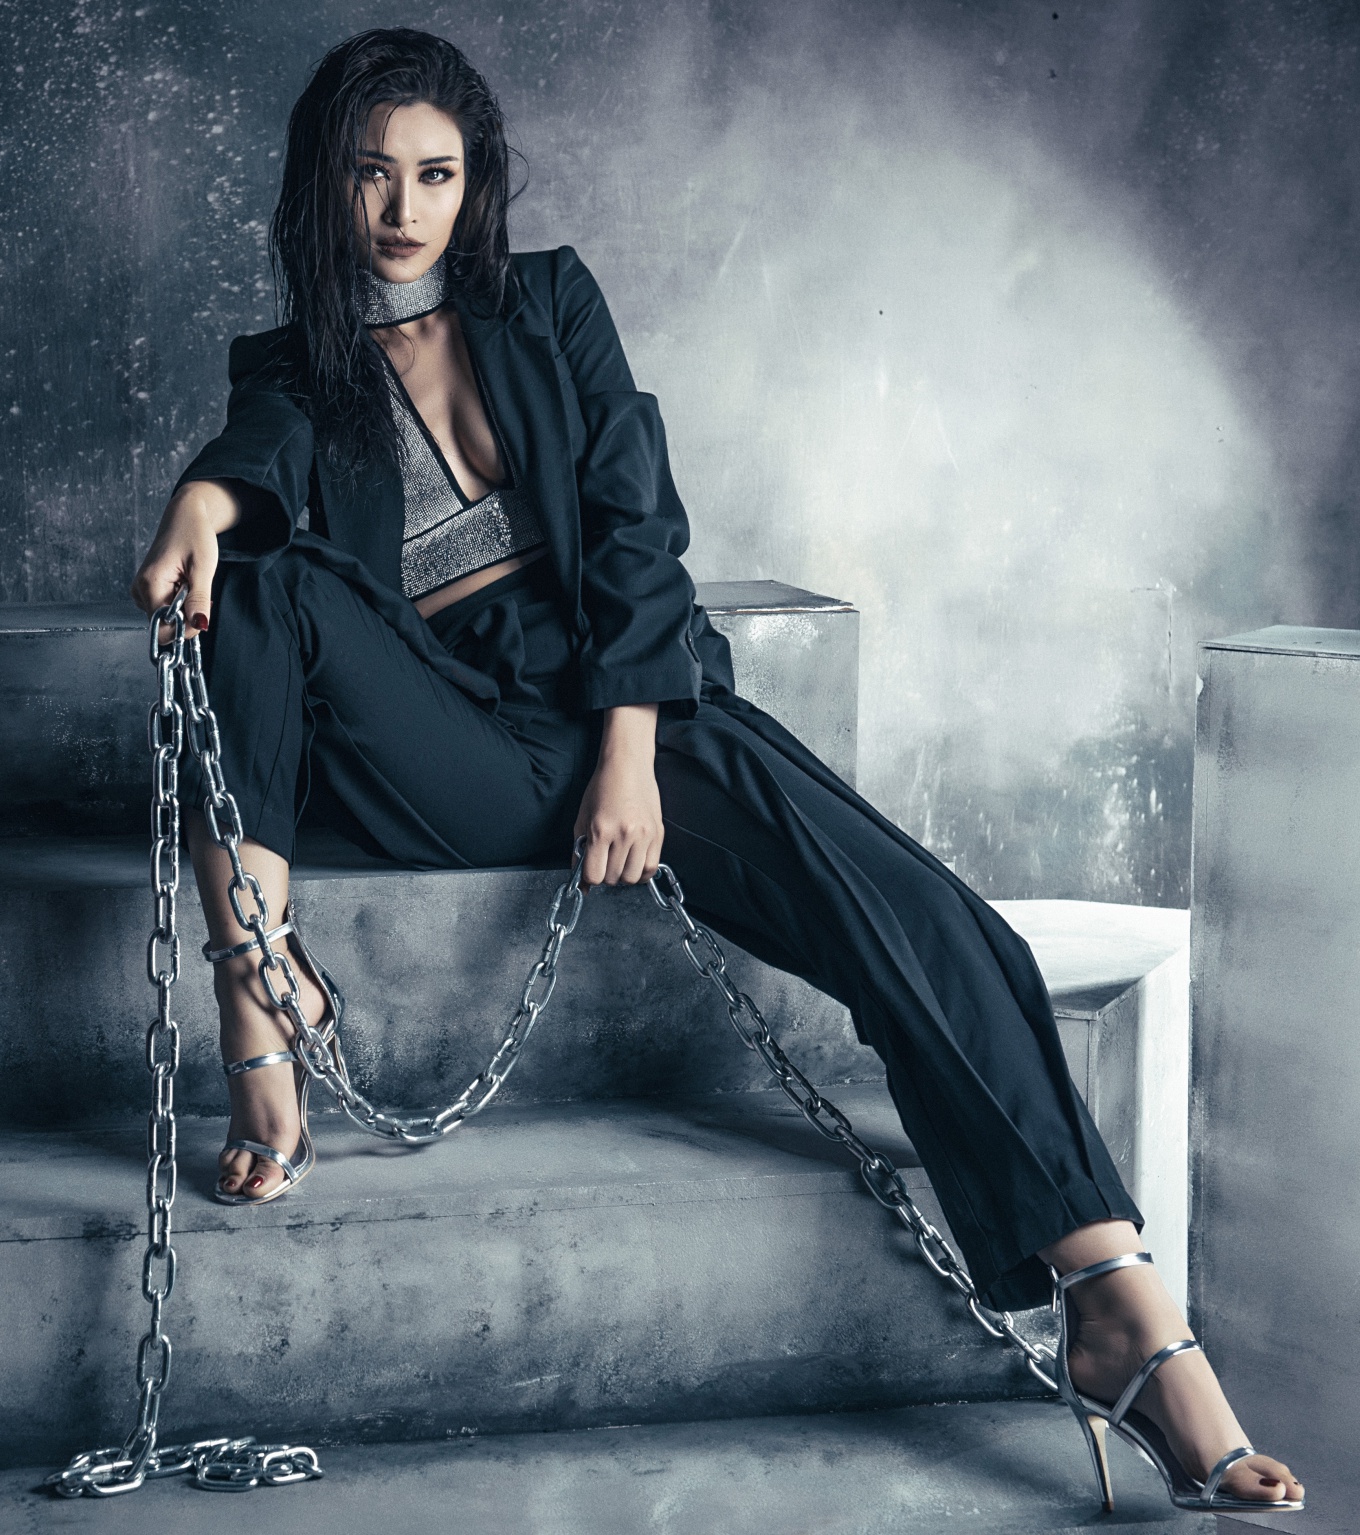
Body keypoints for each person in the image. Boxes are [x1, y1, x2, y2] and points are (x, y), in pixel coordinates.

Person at [128, 27, 1303, 1514]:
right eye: (373, 174)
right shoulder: (293, 368)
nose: (405, 207)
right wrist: (201, 501)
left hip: (637, 702)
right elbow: (260, 450)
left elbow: (635, 523)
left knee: (933, 926)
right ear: (327, 185)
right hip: (454, 735)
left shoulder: (550, 302)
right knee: (264, 581)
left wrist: (629, 745)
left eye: (437, 173)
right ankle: (259, 999)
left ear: (475, 183)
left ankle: (1119, 1309)